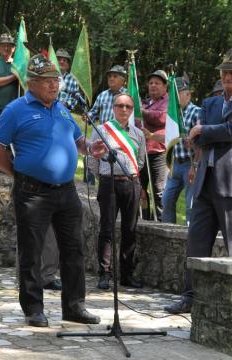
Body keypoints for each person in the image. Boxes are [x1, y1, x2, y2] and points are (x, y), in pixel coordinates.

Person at [0, 54, 105, 327]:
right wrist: (19, 172)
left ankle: (74, 306)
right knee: (32, 251)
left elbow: (78, 140)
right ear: (32, 83)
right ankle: (33, 309)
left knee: (74, 249)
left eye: (56, 81)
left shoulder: (62, 109)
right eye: (48, 81)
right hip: (33, 193)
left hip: (66, 192)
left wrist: (91, 148)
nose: (54, 86)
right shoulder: (16, 110)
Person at [164, 46, 232, 314]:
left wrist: (210, 130)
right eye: (225, 73)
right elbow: (196, 137)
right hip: (205, 180)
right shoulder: (210, 103)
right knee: (195, 242)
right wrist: (218, 133)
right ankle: (189, 297)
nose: (228, 77)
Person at [87, 94, 146, 290]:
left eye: (128, 106)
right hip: (108, 183)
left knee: (130, 230)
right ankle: (105, 274)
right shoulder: (102, 130)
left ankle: (127, 274)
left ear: (132, 110)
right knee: (107, 229)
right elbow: (93, 159)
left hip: (131, 183)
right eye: (120, 105)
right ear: (113, 107)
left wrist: (129, 174)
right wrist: (103, 176)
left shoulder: (138, 134)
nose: (124, 109)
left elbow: (140, 161)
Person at [161, 74, 200, 224]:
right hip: (175, 164)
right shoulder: (173, 115)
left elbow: (202, 141)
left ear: (188, 94)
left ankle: (191, 237)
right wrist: (151, 135)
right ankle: (168, 231)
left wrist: (195, 165)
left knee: (191, 205)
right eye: (172, 96)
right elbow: (170, 138)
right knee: (167, 200)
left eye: (178, 95)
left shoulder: (197, 112)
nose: (174, 99)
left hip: (190, 164)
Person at [138, 70, 169, 221]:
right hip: (142, 152)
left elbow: (161, 117)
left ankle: (161, 222)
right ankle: (144, 219)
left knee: (159, 190)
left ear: (165, 87)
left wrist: (142, 111)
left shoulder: (168, 101)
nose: (153, 86)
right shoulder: (145, 102)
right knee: (140, 189)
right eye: (150, 83)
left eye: (157, 83)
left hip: (159, 152)